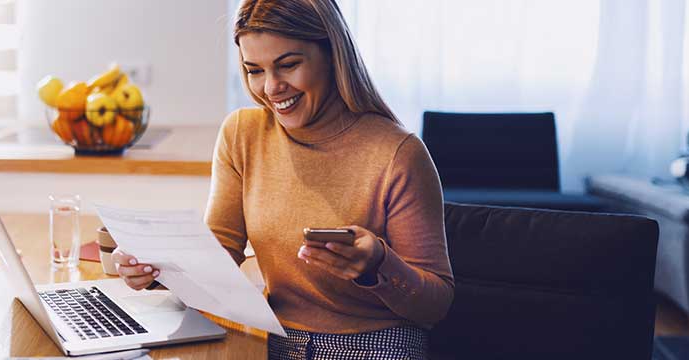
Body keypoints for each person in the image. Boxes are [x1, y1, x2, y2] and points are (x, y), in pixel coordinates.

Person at [111, 0, 454, 358]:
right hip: (276, 339)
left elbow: (436, 304)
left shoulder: (398, 153)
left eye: (288, 65)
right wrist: (156, 270)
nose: (271, 87)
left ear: (333, 54)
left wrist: (376, 265)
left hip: (376, 344)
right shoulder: (242, 134)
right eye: (254, 70)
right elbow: (218, 256)